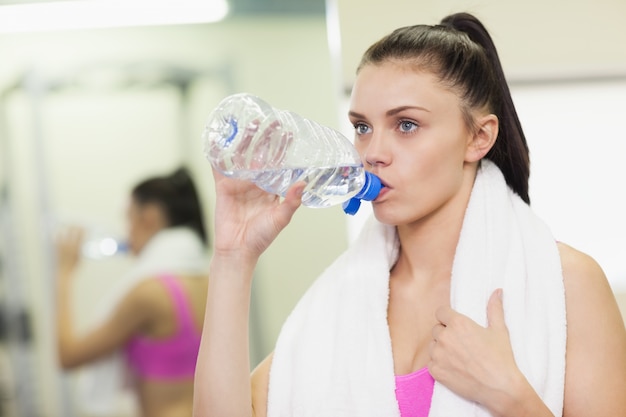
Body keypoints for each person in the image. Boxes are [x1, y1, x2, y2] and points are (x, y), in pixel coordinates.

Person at [192, 12, 626, 417]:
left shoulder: (569, 282)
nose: (373, 153)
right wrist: (233, 259)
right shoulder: (338, 303)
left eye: (406, 125)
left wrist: (511, 395)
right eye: (363, 127)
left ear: (479, 137)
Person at [56, 166, 210, 417]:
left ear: (148, 217)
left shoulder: (149, 294)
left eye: (129, 218)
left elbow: (68, 355)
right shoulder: (209, 281)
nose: (127, 233)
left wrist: (63, 275)